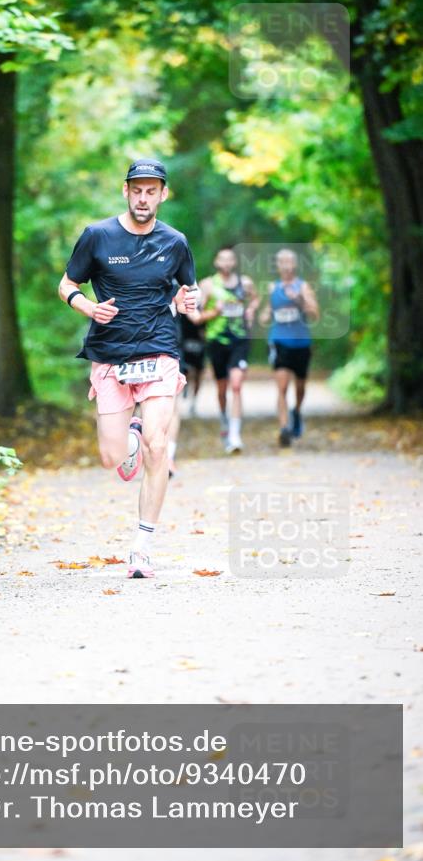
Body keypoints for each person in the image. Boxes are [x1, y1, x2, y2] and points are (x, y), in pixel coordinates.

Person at [58, 157, 198, 579]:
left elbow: (187, 292)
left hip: (158, 351)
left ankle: (142, 546)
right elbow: (67, 284)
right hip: (110, 354)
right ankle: (129, 436)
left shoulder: (175, 241)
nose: (143, 197)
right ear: (126, 191)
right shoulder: (98, 236)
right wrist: (86, 306)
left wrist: (188, 303)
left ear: (162, 194)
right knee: (111, 459)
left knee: (159, 446)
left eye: (151, 190)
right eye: (136, 189)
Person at [198, 247, 259, 454]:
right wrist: (215, 312)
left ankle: (235, 435)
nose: (226, 262)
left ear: (234, 262)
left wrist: (250, 309)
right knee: (222, 388)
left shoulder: (246, 283)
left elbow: (256, 298)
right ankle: (224, 418)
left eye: (230, 259)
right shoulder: (207, 285)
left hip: (240, 338)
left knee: (236, 385)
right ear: (216, 262)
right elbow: (198, 314)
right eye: (222, 258)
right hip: (216, 340)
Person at [259, 248, 320, 447]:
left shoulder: (303, 287)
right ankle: (284, 428)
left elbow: (314, 314)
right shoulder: (272, 288)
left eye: (289, 262)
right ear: (277, 266)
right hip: (279, 341)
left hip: (301, 342)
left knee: (300, 387)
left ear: (294, 265)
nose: (285, 265)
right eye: (281, 262)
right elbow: (266, 313)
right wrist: (264, 316)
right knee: (282, 387)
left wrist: (300, 300)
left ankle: (297, 412)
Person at [168, 295, 205, 477]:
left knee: (172, 407)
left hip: (171, 348)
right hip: (136, 349)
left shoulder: (179, 275)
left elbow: (196, 316)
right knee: (141, 410)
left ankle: (168, 457)